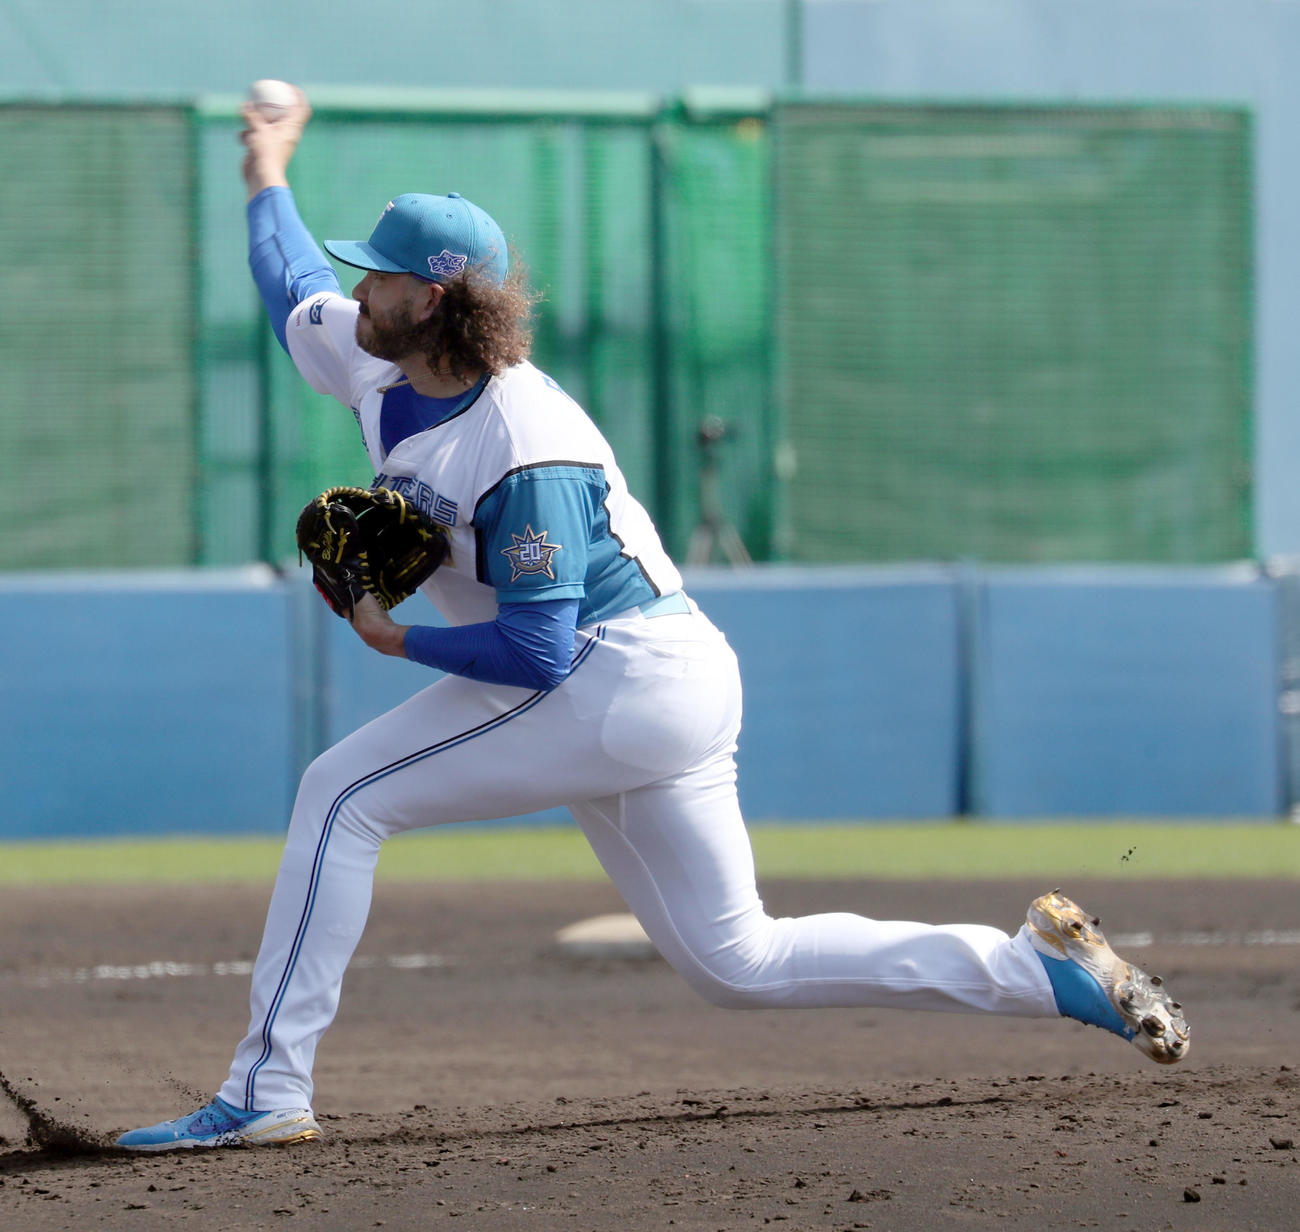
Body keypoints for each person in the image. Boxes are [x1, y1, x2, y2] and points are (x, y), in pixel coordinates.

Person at [116, 88, 1188, 1152]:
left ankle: (265, 1088)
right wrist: (267, 161)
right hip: (651, 677)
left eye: (382, 274)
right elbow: (286, 280)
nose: (360, 289)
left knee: (340, 793)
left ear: (434, 300)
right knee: (739, 960)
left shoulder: (525, 441)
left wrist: (397, 638)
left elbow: (536, 652)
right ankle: (1040, 973)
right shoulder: (376, 357)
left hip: (609, 677)